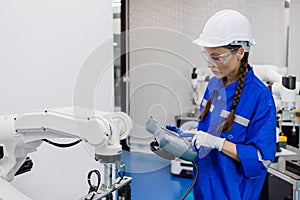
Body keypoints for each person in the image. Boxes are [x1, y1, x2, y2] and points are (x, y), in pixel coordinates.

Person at [190, 9, 276, 200]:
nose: (211, 64)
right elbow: (204, 132)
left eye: (217, 57)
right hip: (204, 189)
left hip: (233, 193)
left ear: (240, 52)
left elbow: (261, 160)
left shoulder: (260, 97)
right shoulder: (213, 84)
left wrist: (218, 143)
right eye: (207, 56)